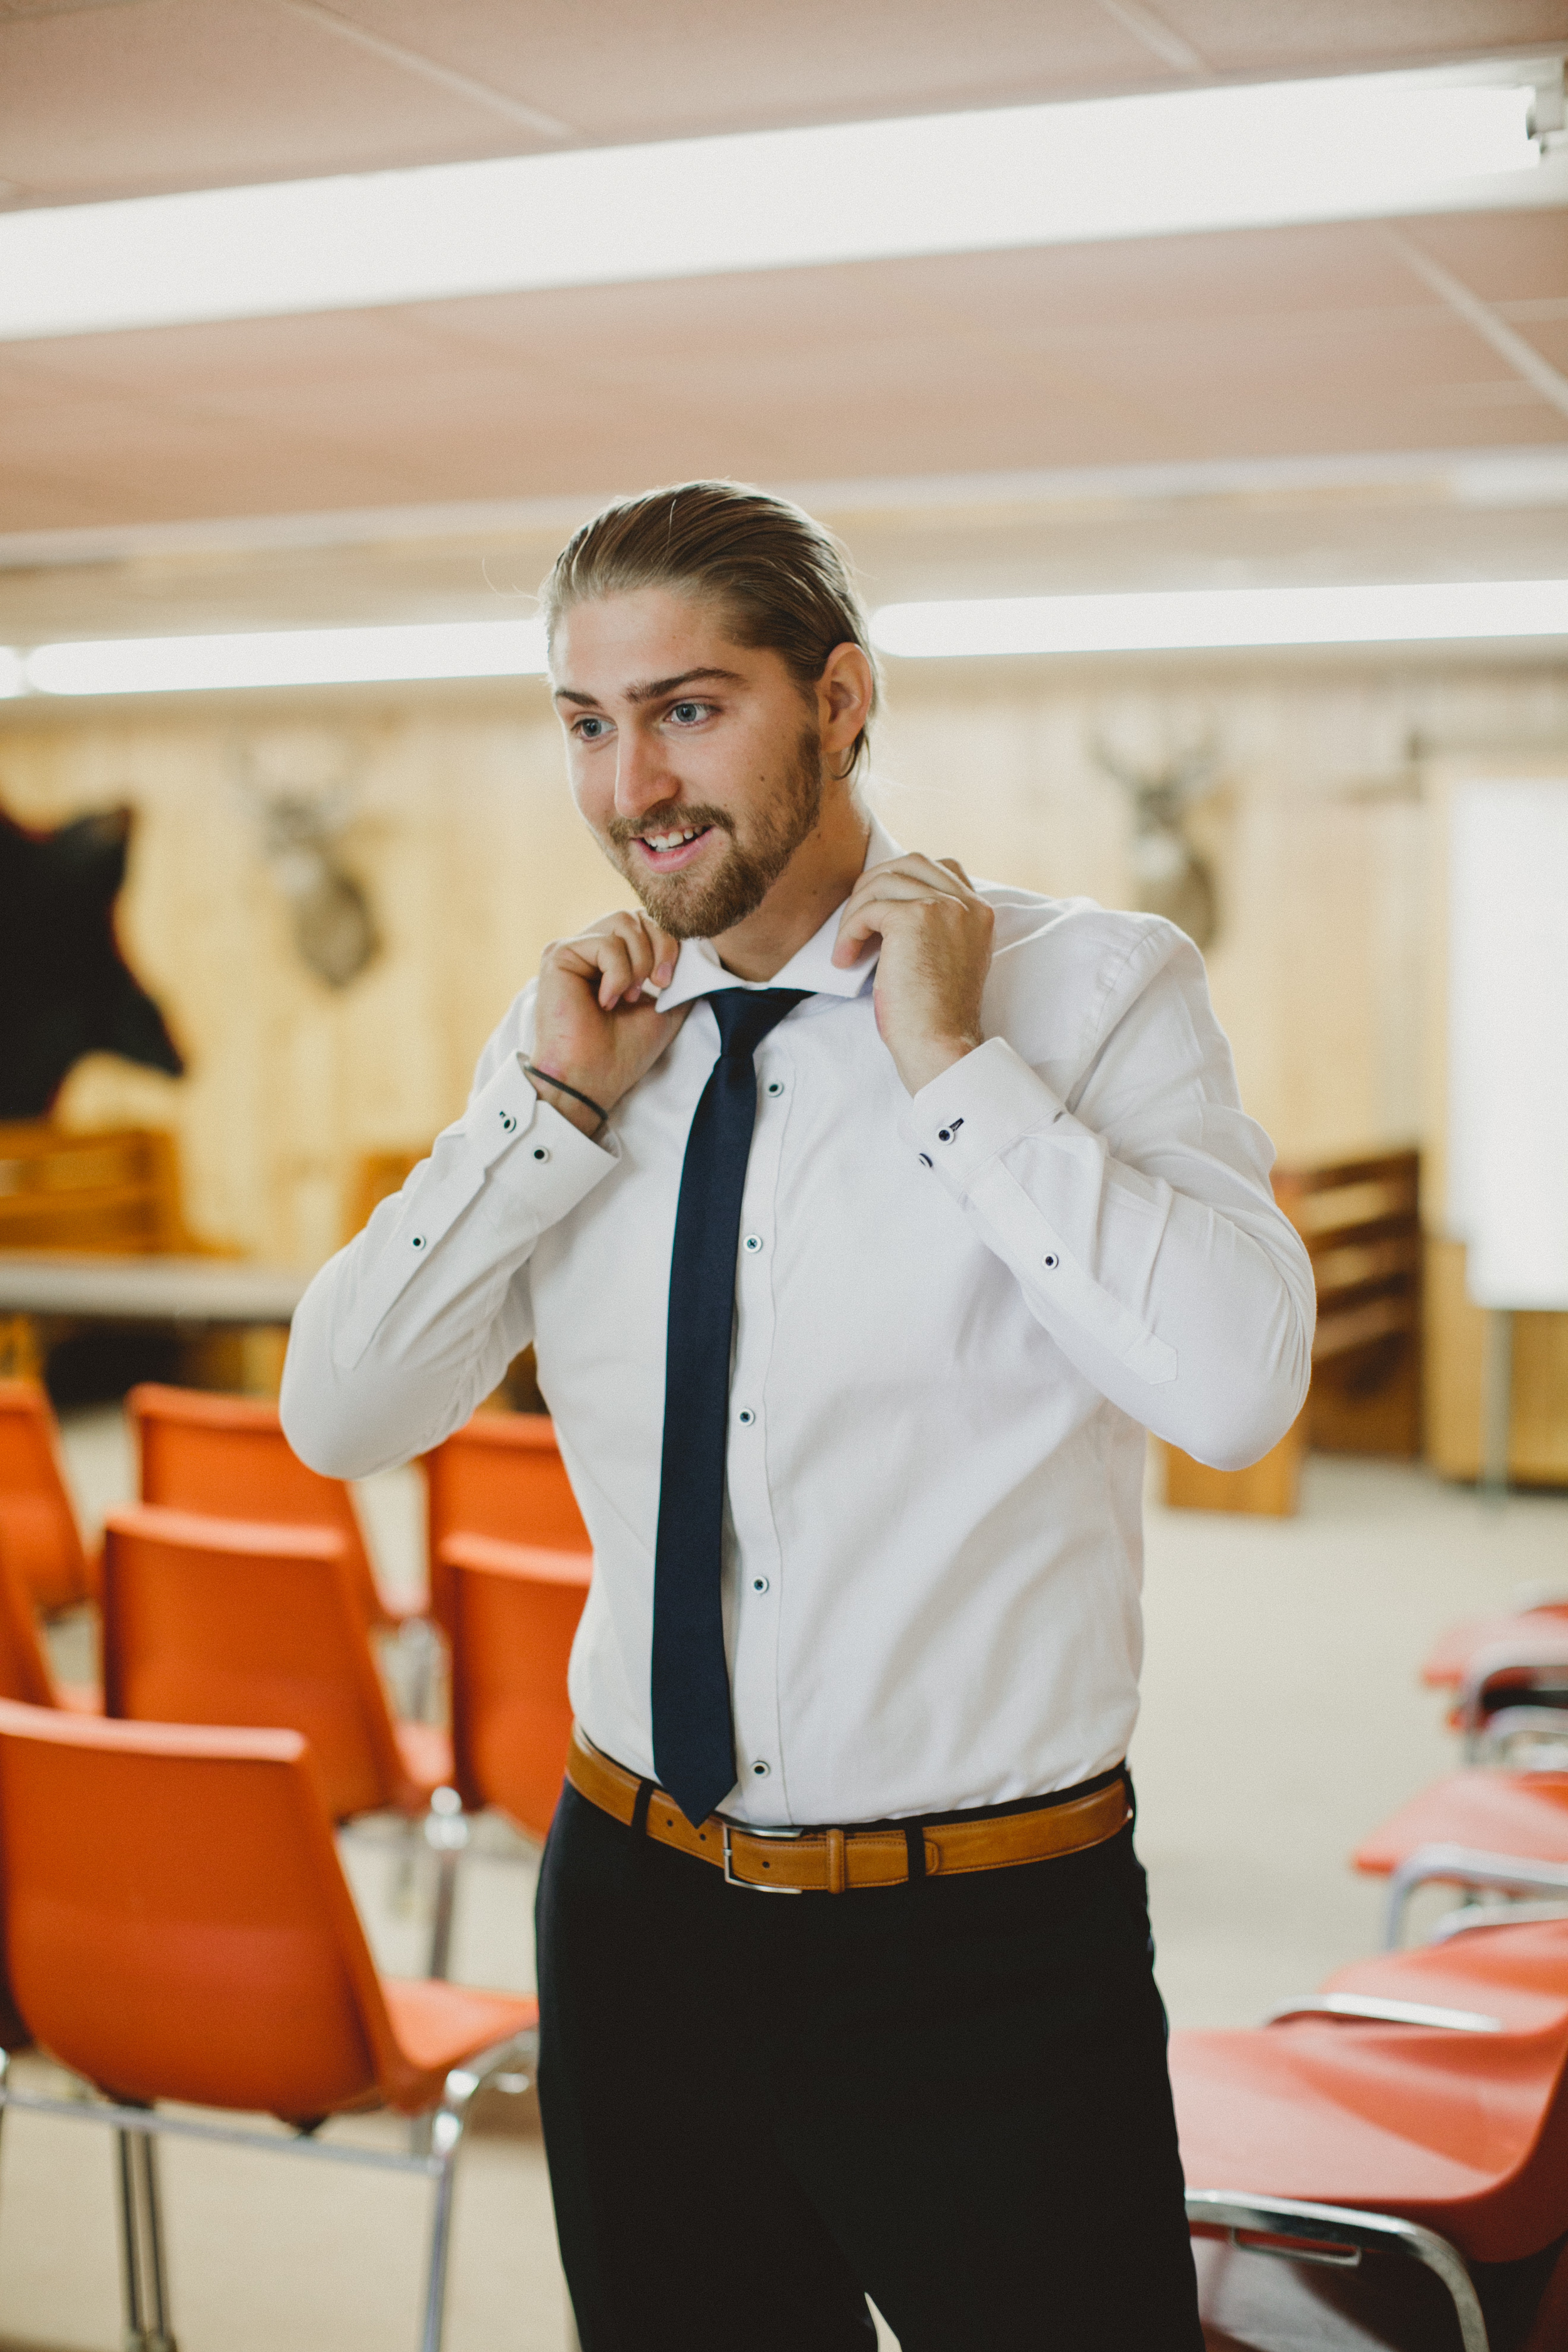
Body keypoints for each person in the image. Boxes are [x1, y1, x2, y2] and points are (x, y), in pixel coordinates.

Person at [282, 480, 1314, 2350]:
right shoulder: (575, 1038)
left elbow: (1235, 1395)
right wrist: (544, 1119)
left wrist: (952, 1065)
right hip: (631, 1915)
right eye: (585, 726)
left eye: (688, 709)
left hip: (981, 1940)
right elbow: (341, 1413)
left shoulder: (1082, 990)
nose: (629, 789)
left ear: (840, 701)